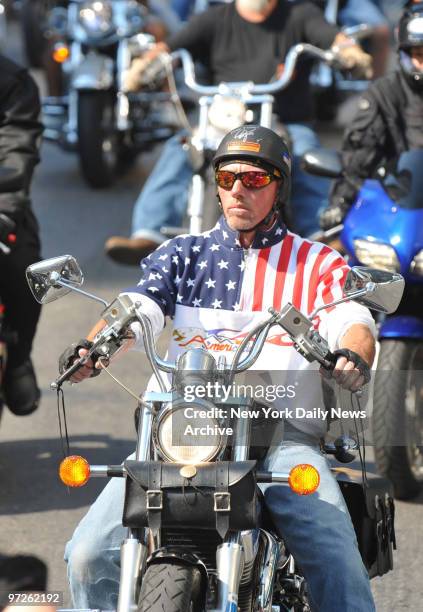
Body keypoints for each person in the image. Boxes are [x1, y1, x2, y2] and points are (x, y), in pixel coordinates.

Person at [61, 125, 377, 611]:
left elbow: (350, 318)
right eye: (227, 178)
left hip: (278, 438)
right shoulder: (182, 255)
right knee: (86, 553)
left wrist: (353, 353)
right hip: (177, 434)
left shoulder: (316, 263)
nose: (237, 191)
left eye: (253, 178)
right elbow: (138, 307)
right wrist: (93, 348)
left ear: (279, 186)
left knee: (335, 551)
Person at [104, 0, 372, 265]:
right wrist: (145, 66)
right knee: (182, 146)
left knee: (304, 151)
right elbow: (169, 48)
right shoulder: (215, 18)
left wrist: (349, 52)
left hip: (285, 120)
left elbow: (334, 39)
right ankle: (149, 232)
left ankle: (318, 233)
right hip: (225, 118)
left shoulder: (300, 14)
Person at [320, 4, 423, 231]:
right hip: (397, 205)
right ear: (404, 53)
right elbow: (360, 153)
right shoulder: (383, 93)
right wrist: (340, 203)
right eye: (419, 54)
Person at [0, 55, 43, 416]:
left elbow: (17, 151)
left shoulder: (13, 81)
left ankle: (17, 358)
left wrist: (5, 210)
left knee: (25, 272)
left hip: (1, 206)